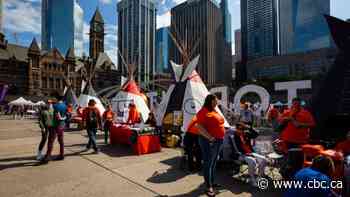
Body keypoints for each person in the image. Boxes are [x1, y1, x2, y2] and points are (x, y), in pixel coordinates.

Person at [195, 94, 226, 197]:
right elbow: (199, 127)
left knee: (213, 162)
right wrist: (210, 138)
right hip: (209, 141)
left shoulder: (214, 110)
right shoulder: (203, 111)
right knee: (208, 163)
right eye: (216, 100)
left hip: (218, 141)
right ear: (211, 100)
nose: (217, 102)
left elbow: (219, 123)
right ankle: (208, 187)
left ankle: (212, 182)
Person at [233, 122, 268, 186]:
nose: (240, 130)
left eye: (242, 129)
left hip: (251, 153)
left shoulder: (246, 134)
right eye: (238, 129)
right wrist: (245, 154)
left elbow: (256, 134)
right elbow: (235, 149)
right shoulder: (234, 136)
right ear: (236, 129)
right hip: (241, 154)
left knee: (264, 160)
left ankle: (259, 177)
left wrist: (249, 127)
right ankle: (252, 179)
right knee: (252, 161)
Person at [40, 94, 67, 163]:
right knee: (61, 141)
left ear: (57, 98)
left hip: (55, 126)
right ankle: (62, 154)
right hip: (62, 125)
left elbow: (56, 116)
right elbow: (67, 115)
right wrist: (62, 119)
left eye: (54, 98)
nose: (52, 99)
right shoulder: (64, 105)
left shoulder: (55, 106)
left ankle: (48, 156)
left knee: (50, 141)